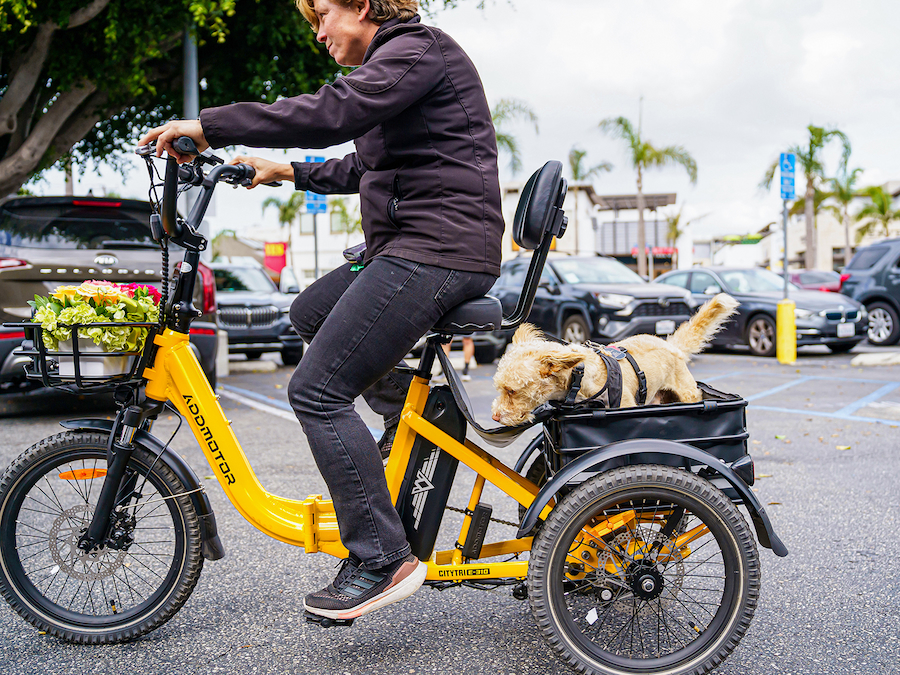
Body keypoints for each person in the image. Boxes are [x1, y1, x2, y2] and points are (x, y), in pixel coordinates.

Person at [139, 0, 504, 622]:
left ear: (362, 6)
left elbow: (334, 111)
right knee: (310, 311)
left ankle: (382, 558)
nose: (319, 33)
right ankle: (413, 428)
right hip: (417, 245)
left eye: (323, 16)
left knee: (316, 390)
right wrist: (286, 170)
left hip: (438, 247)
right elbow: (364, 165)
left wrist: (212, 125)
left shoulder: (416, 49)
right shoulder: (398, 68)